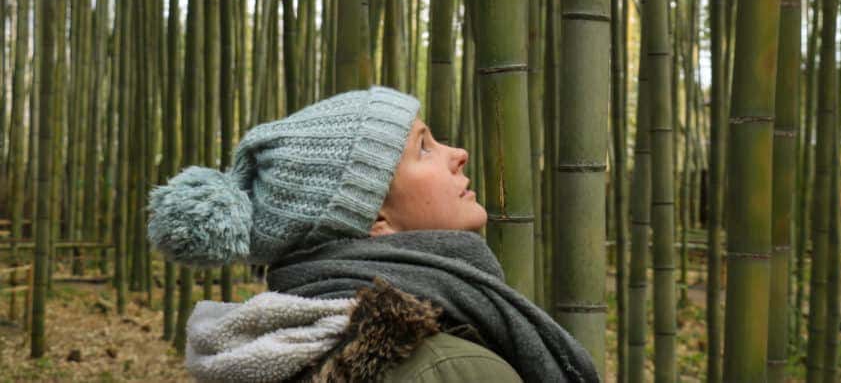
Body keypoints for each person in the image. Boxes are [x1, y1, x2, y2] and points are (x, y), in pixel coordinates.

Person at [148, 86, 598, 382]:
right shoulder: (449, 370)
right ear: (373, 216)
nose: (457, 154)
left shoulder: (289, 353)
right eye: (424, 147)